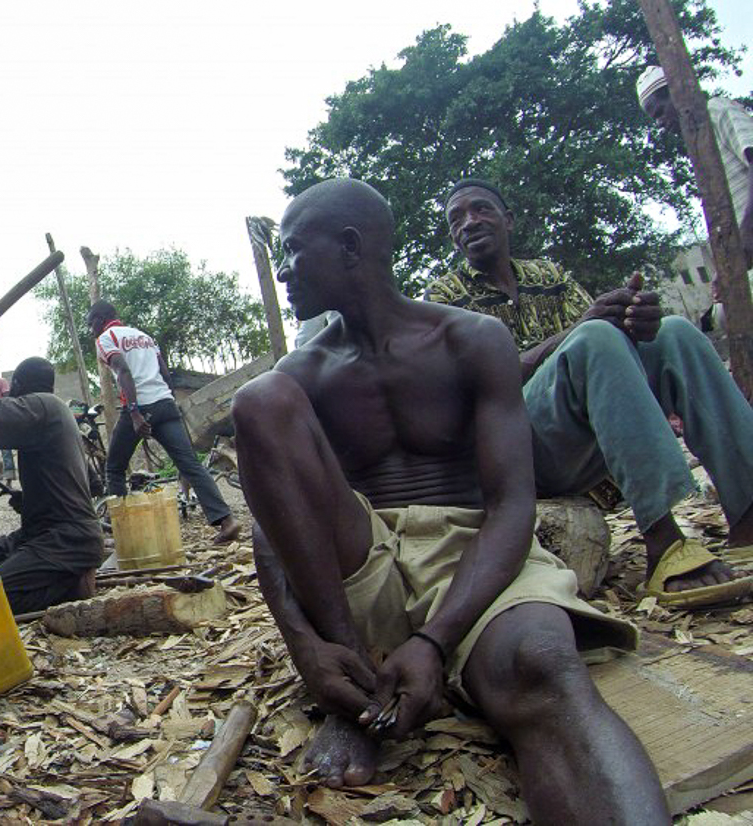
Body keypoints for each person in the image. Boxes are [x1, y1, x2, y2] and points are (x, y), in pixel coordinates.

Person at [234, 178, 665, 821]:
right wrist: (308, 649)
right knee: (258, 400)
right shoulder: (303, 376)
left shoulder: (472, 338)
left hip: (471, 557)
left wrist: (434, 641)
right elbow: (272, 525)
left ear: (350, 248)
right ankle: (355, 689)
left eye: (294, 251)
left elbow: (512, 503)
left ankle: (438, 662)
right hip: (362, 562)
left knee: (542, 667)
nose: (285, 273)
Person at [427, 178, 753, 608]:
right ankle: (664, 540)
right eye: (456, 220)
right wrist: (583, 328)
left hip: (589, 435)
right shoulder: (447, 296)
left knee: (675, 334)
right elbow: (483, 382)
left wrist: (636, 322)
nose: (468, 223)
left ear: (508, 219)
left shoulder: (550, 275)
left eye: (481, 210)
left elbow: (603, 334)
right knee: (593, 335)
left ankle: (748, 512)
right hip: (521, 450)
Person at [0, 317, 105, 613]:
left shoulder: (42, 405)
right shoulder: (59, 413)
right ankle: (62, 577)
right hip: (38, 533)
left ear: (17, 385)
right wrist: (32, 501)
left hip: (66, 540)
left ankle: (70, 585)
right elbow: (94, 486)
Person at [84, 301, 243, 544]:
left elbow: (123, 371)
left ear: (101, 318)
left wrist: (135, 413)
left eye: (90, 323)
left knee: (114, 467)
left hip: (138, 406)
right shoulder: (145, 337)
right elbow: (165, 373)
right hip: (164, 404)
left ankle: (123, 533)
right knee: (190, 464)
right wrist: (165, 401)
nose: (90, 329)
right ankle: (227, 521)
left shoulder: (107, 338)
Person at [638, 65, 753, 338]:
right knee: (724, 315)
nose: (660, 123)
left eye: (659, 112)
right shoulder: (700, 146)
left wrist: (745, 240)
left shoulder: (717, 110)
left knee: (734, 313)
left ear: (675, 93)